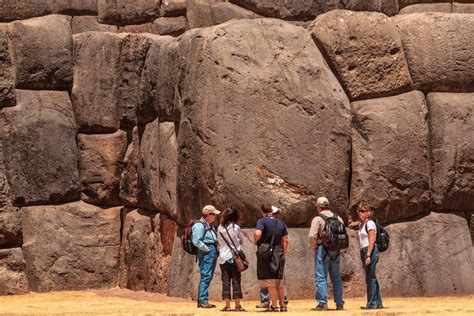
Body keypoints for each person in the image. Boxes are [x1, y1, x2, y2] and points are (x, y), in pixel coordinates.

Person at [308, 197, 344, 311]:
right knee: (336, 277)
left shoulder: (318, 219)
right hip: (336, 251)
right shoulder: (338, 217)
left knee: (321, 277)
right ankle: (339, 303)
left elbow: (312, 236)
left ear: (318, 207)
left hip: (322, 250)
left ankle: (322, 303)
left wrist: (314, 247)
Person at [255, 204, 289, 312]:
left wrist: (256, 241)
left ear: (263, 212)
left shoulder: (262, 221)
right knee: (279, 280)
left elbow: (257, 233)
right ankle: (283, 305)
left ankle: (274, 306)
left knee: (270, 281)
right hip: (279, 251)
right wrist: (284, 254)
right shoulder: (281, 223)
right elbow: (285, 240)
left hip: (267, 253)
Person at [217, 207, 246, 312]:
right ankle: (238, 305)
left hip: (223, 257)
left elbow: (219, 242)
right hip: (235, 257)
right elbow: (241, 241)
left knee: (225, 280)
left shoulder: (220, 228)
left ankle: (227, 305)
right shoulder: (236, 227)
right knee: (236, 279)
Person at [192, 205, 221, 308]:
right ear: (208, 215)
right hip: (206, 252)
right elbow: (196, 241)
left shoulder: (208, 225)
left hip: (211, 252)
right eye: (214, 214)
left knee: (208, 276)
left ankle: (203, 299)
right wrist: (207, 249)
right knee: (206, 275)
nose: (215, 216)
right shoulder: (200, 225)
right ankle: (202, 300)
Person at [357, 202, 383, 309]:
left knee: (370, 278)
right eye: (359, 211)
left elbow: (372, 240)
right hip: (364, 251)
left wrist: (368, 254)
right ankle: (378, 303)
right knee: (371, 277)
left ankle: (371, 303)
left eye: (363, 211)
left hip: (370, 251)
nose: (360, 213)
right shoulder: (360, 224)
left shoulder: (370, 223)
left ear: (368, 213)